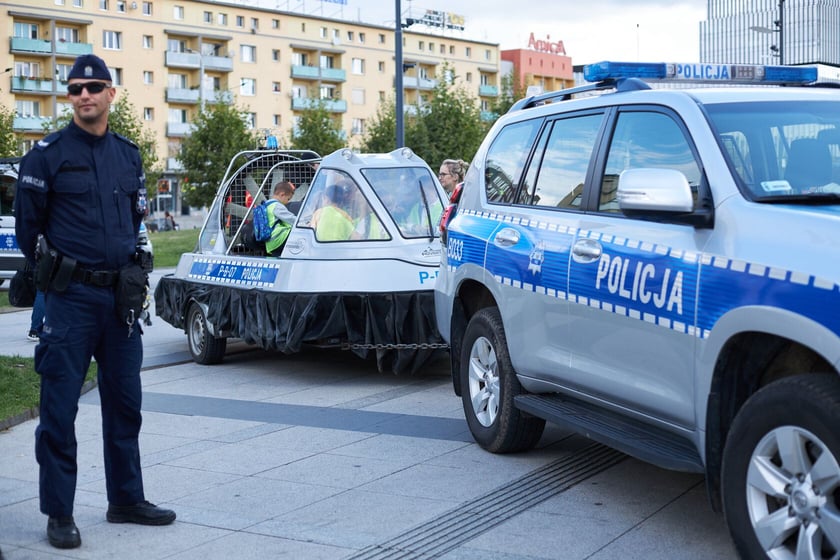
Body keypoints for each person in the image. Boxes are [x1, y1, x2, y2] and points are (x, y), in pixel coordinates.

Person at [14, 53, 175, 551]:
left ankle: (125, 498)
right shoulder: (45, 156)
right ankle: (59, 512)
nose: (84, 95)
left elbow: (136, 221)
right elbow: (27, 231)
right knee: (59, 410)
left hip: (120, 302)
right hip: (71, 300)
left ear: (110, 93)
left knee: (126, 406)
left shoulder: (128, 155)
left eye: (93, 87)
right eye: (75, 89)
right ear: (70, 98)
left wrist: (135, 267)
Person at [264, 180, 296, 256]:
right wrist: (304, 223)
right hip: (278, 238)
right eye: (288, 199)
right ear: (282, 195)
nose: (288, 202)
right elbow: (291, 219)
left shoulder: (266, 204)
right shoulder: (277, 206)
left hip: (270, 243)